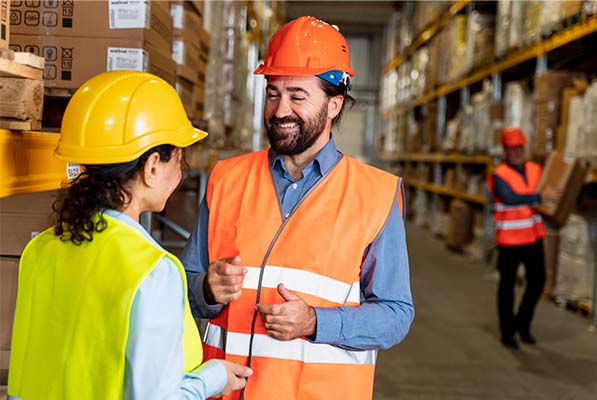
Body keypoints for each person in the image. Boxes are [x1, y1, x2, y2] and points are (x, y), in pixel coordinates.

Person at [181, 16, 414, 400]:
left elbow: (395, 315)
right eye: (273, 93)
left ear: (334, 104)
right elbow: (185, 283)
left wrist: (315, 321)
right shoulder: (226, 179)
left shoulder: (375, 194)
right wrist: (205, 287)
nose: (279, 110)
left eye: (297, 96)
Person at [7, 71, 252, 400]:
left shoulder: (40, 249)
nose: (181, 175)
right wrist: (213, 378)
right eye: (179, 161)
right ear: (152, 166)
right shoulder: (151, 271)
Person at [488, 127, 562, 349]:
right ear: (506, 151)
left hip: (533, 236)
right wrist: (541, 196)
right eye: (513, 149)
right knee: (507, 286)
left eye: (520, 148)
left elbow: (552, 187)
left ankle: (522, 324)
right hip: (509, 240)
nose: (518, 152)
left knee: (538, 282)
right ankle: (507, 332)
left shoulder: (536, 169)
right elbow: (510, 199)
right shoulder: (499, 175)